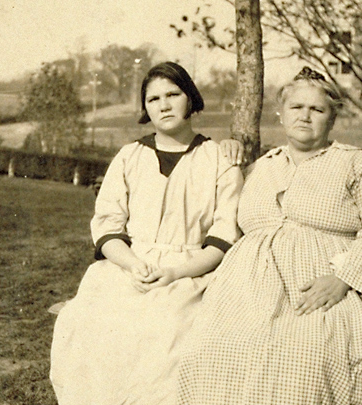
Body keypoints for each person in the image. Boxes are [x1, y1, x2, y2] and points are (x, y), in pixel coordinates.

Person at [176, 67, 362, 405]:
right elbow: (214, 203)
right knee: (208, 353)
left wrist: (343, 278)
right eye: (297, 107)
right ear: (281, 114)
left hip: (323, 290)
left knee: (302, 364)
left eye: (317, 109)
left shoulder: (353, 164)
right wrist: (225, 152)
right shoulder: (262, 166)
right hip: (247, 294)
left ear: (332, 118)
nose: (305, 116)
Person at [50, 61, 244, 405]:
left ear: (191, 99)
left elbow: (223, 237)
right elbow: (107, 226)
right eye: (153, 99)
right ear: (145, 107)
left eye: (173, 94)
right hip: (127, 267)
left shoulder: (218, 159)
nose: (164, 105)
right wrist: (131, 264)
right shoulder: (129, 156)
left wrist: (174, 272)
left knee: (167, 338)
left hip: (190, 272)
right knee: (91, 328)